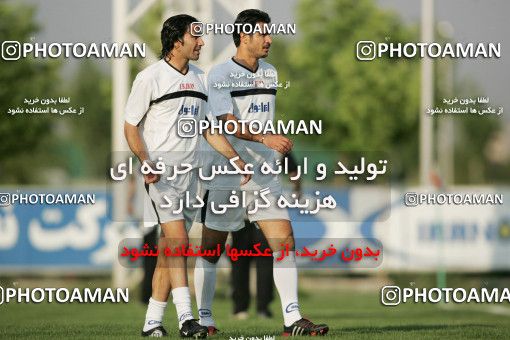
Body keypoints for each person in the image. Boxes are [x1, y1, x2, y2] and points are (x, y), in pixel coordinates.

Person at [194, 9, 329, 337]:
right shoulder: (220, 73)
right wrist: (264, 137)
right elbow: (226, 123)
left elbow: (262, 120)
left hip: (264, 174)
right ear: (243, 36)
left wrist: (271, 147)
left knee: (284, 240)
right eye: (263, 33)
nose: (270, 39)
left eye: (270, 33)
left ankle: (292, 318)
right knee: (212, 248)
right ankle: (205, 318)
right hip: (226, 171)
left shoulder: (270, 72)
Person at [124, 14, 250, 338]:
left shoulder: (200, 78)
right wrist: (145, 161)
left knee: (170, 248)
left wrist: (235, 159)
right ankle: (186, 319)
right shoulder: (149, 78)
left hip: (192, 177)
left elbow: (208, 128)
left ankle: (152, 322)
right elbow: (130, 126)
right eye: (196, 36)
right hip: (162, 175)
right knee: (178, 243)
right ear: (177, 39)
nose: (202, 42)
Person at [230, 152, 302, 320]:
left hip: (264, 211)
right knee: (241, 261)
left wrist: (297, 189)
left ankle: (262, 307)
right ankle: (242, 307)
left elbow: (293, 169)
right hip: (240, 212)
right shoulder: (233, 141)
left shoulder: (271, 143)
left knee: (264, 260)